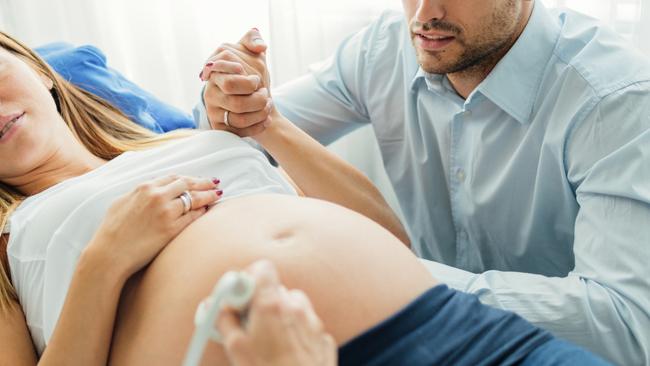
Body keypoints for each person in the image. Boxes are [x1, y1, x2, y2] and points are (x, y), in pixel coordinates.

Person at [0, 29, 609, 365]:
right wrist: (104, 260)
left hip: (451, 329)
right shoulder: (6, 241)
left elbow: (390, 240)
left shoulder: (186, 140)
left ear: (37, 67)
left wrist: (266, 125)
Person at [197, 0, 650, 364]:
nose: (424, 13)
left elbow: (625, 329)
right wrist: (232, 94)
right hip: (418, 334)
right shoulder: (385, 48)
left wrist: (395, 277)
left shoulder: (616, 101)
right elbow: (231, 130)